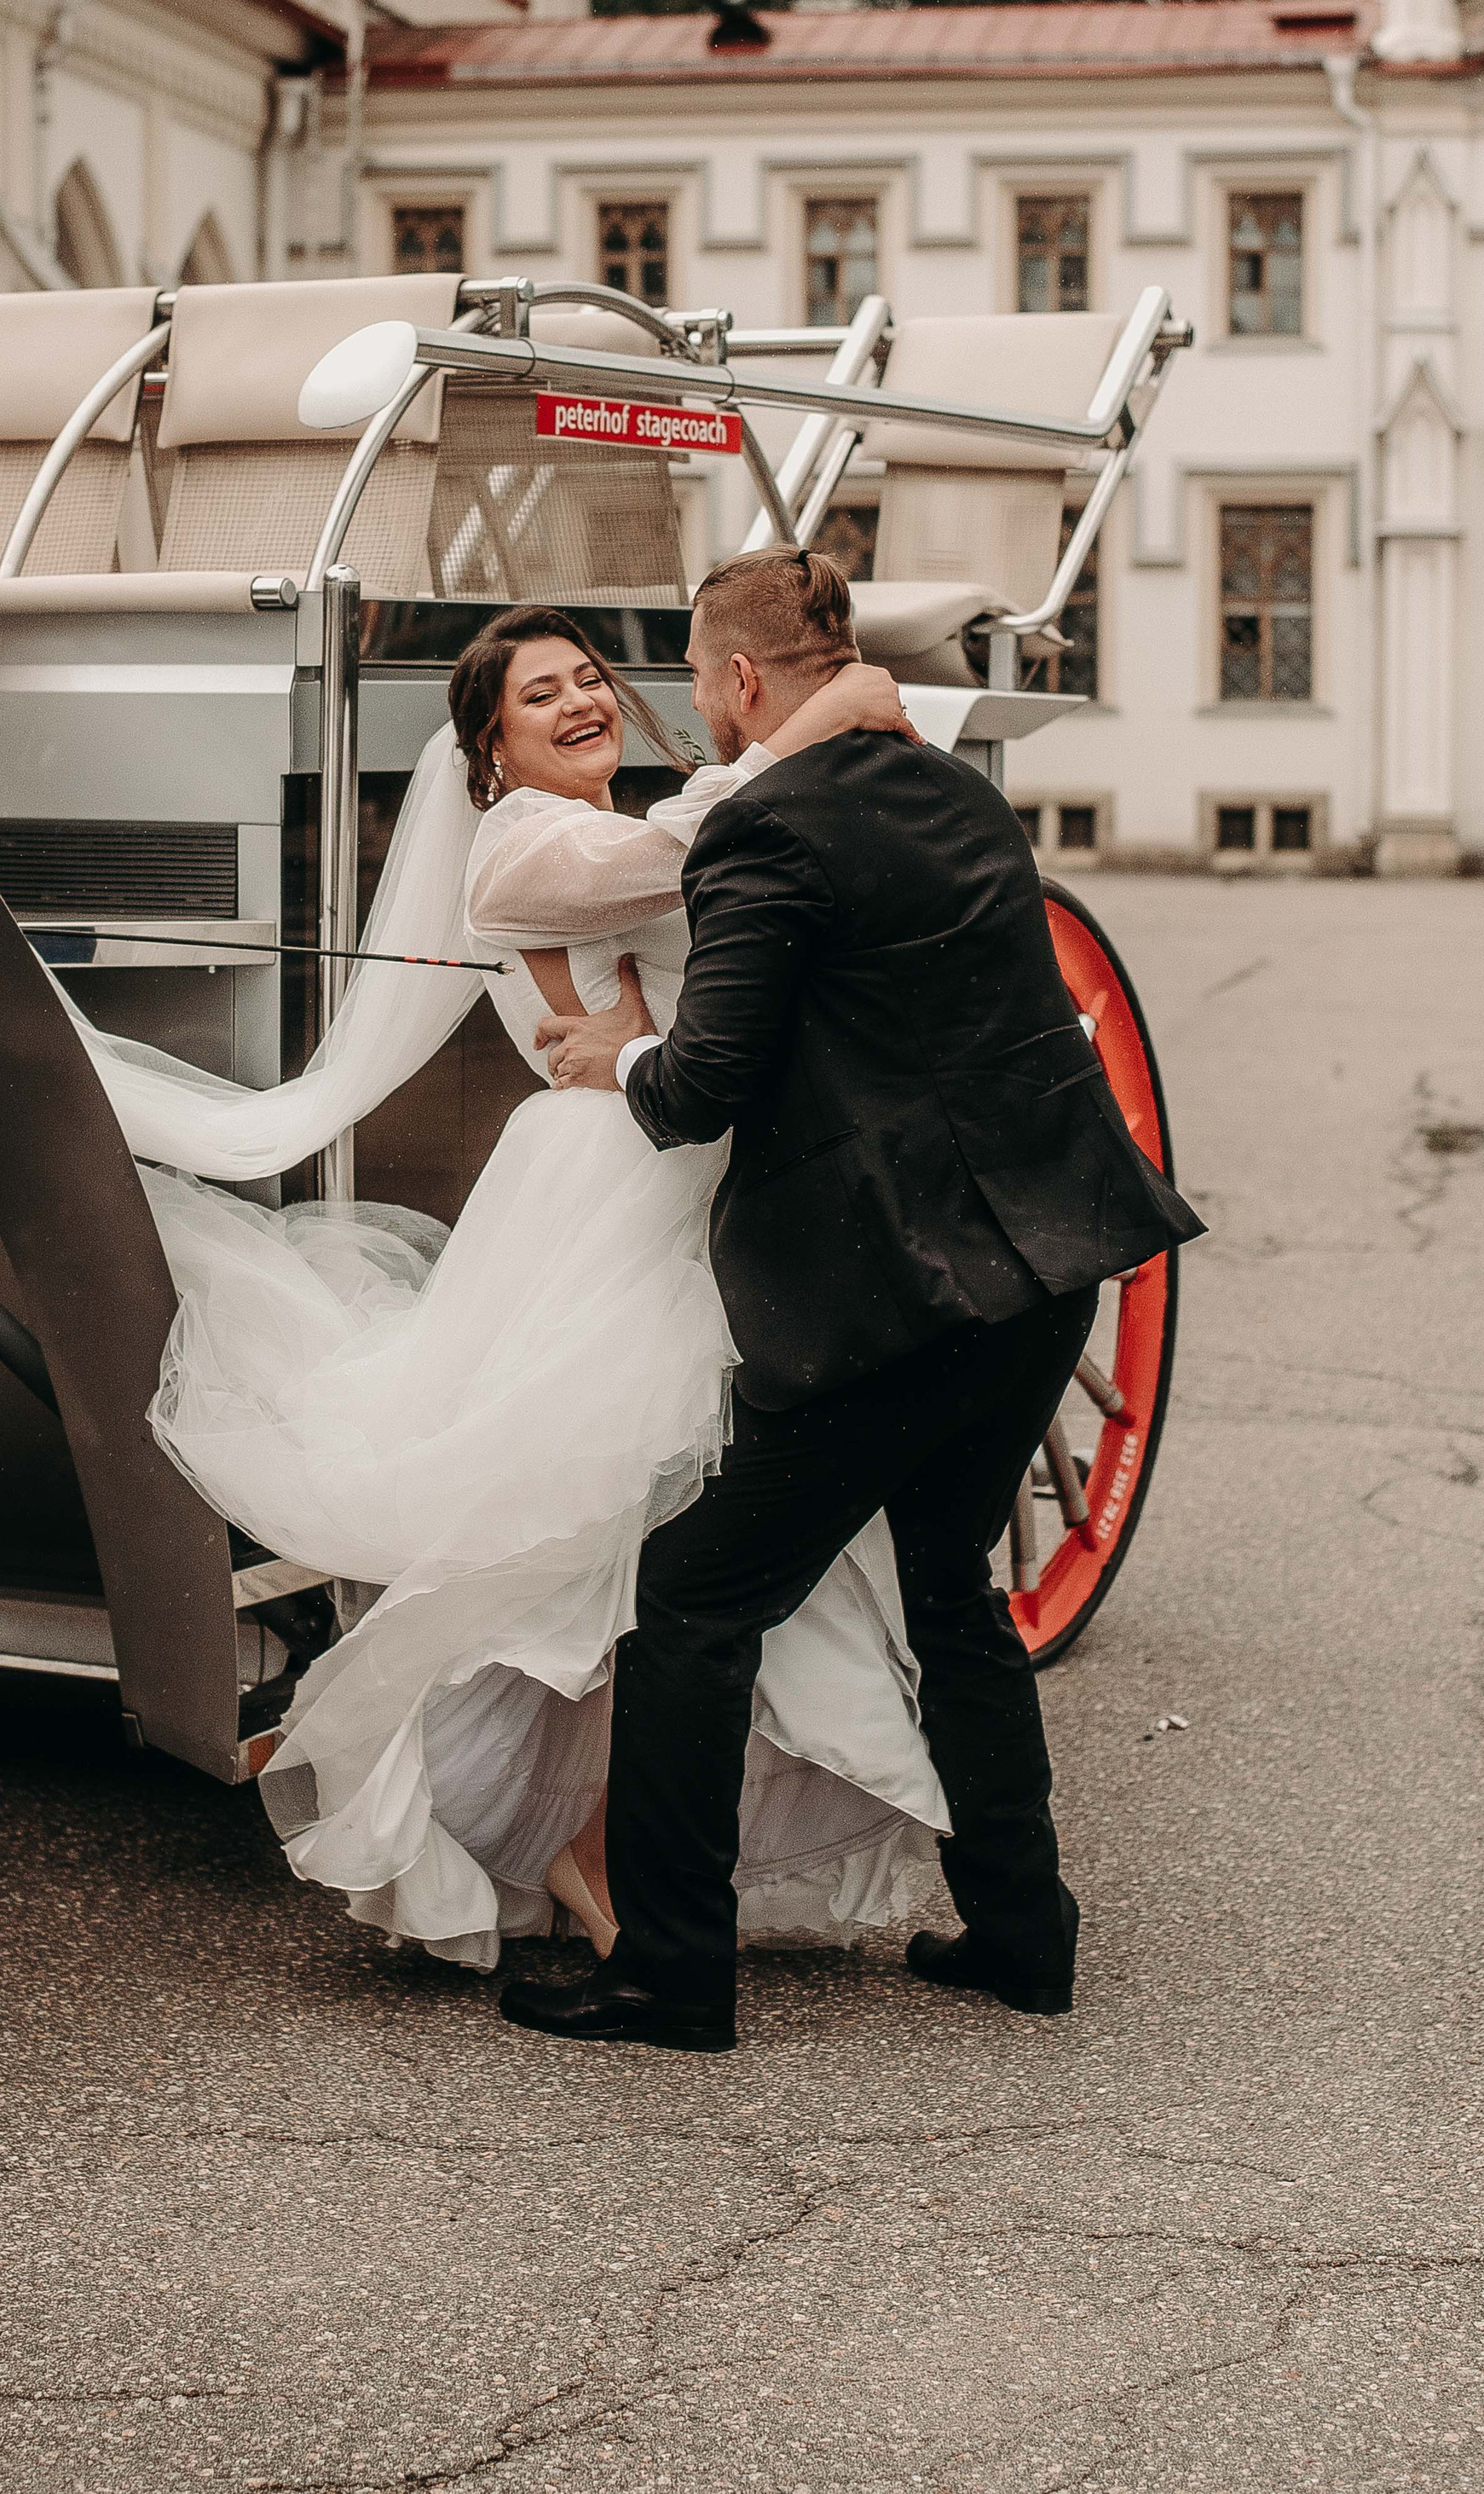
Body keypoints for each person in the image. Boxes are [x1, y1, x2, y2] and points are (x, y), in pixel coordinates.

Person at [113, 615, 954, 1972]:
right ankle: (592, 1847)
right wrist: (830, 709)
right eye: (537, 696)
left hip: (686, 1175)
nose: (577, 704)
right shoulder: (523, 848)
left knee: (662, 1536)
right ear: (487, 753)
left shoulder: (618, 826)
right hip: (613, 1195)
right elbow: (691, 851)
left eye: (588, 681)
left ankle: (621, 1836)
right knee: (626, 1523)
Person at [503, 549, 1203, 2055]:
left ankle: (670, 1975)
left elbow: (701, 1091)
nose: (695, 708)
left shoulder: (759, 833)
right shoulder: (957, 793)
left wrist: (603, 1058)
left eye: (696, 681)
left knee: (695, 1597)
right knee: (954, 1584)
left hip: (889, 1293)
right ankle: (1025, 1933)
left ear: (744, 682)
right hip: (1048, 1267)